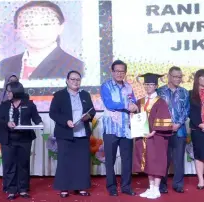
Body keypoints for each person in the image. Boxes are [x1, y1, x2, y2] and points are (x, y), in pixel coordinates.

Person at [0, 1, 84, 80]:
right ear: (17, 30)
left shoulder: (76, 67)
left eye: (45, 24)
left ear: (61, 28)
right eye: (27, 25)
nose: (36, 32)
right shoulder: (4, 66)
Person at [49, 70, 96, 198]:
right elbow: (53, 113)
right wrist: (66, 121)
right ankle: (64, 188)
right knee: (65, 161)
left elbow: (92, 111)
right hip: (65, 133)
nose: (75, 82)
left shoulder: (85, 94)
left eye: (78, 80)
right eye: (73, 79)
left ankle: (81, 187)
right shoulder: (59, 95)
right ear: (67, 80)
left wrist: (88, 117)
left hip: (82, 133)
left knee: (82, 161)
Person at [0, 81, 43, 200]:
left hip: (24, 139)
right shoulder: (4, 104)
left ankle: (23, 189)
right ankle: (11, 190)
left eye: (10, 91)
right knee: (9, 165)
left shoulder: (29, 104)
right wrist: (7, 123)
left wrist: (40, 123)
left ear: (16, 92)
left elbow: (36, 117)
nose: (8, 93)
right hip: (8, 139)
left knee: (23, 165)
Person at [100, 60, 138, 196]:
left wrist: (134, 105)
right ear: (112, 71)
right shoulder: (106, 86)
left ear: (125, 73)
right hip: (111, 129)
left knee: (127, 159)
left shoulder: (129, 86)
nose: (119, 74)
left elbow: (133, 100)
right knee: (110, 160)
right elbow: (109, 103)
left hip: (127, 129)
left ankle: (126, 187)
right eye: (117, 71)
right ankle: (111, 187)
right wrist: (127, 105)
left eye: (122, 71)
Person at [133, 73, 173, 199]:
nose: (149, 86)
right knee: (148, 162)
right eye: (146, 84)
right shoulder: (140, 101)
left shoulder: (161, 102)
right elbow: (136, 118)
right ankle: (150, 188)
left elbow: (163, 118)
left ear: (156, 86)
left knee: (157, 161)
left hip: (157, 137)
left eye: (151, 84)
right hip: (143, 136)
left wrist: (153, 132)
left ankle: (156, 189)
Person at [157, 66, 190, 193]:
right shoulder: (160, 92)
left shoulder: (185, 92)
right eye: (175, 76)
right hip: (163, 131)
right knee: (163, 159)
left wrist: (177, 124)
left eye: (180, 77)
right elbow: (156, 111)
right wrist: (167, 125)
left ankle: (178, 184)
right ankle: (162, 185)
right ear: (169, 76)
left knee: (178, 160)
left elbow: (186, 110)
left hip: (179, 131)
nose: (178, 79)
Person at [0, 73, 18, 193]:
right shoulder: (0, 97)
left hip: (20, 135)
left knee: (20, 163)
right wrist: (6, 123)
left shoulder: (23, 98)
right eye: (10, 81)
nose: (12, 84)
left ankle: (20, 187)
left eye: (15, 81)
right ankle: (8, 187)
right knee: (8, 163)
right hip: (5, 134)